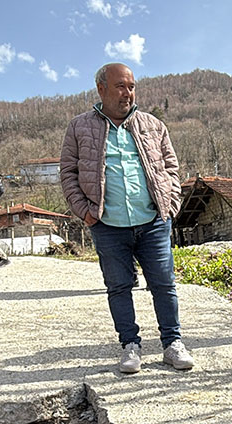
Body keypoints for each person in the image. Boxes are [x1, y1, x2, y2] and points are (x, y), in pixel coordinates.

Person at [59, 62, 194, 374]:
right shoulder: (79, 127)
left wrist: (170, 205)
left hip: (153, 222)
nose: (127, 93)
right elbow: (68, 173)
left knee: (164, 284)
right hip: (107, 225)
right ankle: (130, 345)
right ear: (101, 89)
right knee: (118, 287)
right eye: (120, 86)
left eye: (131, 86)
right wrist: (85, 212)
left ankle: (172, 343)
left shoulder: (153, 125)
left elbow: (171, 167)